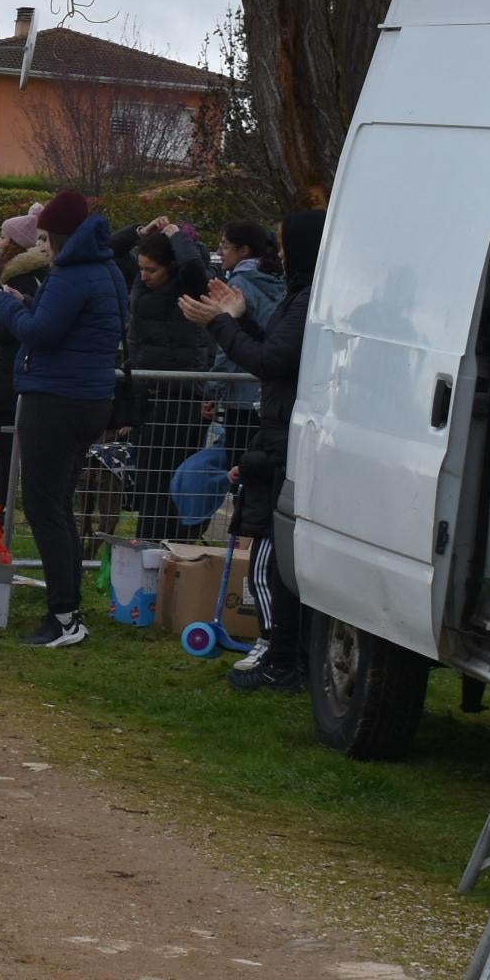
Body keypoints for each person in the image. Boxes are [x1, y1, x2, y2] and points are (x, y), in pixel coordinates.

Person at [186, 209, 323, 692]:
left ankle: (281, 656)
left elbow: (270, 361)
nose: (279, 255)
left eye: (285, 246)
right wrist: (240, 318)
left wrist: (220, 326)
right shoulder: (300, 295)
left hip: (286, 442)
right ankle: (286, 655)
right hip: (278, 436)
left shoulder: (309, 300)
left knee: (268, 561)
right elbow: (276, 352)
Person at [0, 190, 125, 648]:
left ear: (65, 237)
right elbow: (70, 327)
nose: (42, 247)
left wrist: (7, 304)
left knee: (43, 506)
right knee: (59, 506)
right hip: (88, 397)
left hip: (56, 399)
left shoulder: (72, 274)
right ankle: (69, 609)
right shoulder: (104, 269)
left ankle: (64, 617)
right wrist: (28, 305)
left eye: (47, 238)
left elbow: (41, 333)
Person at [120, 225, 218, 535]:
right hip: (146, 392)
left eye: (153, 270)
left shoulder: (185, 287)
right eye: (142, 269)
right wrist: (140, 231)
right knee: (148, 480)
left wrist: (178, 235)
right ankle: (148, 545)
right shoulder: (142, 282)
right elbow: (111, 249)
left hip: (177, 395)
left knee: (169, 480)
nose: (145, 275)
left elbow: (194, 268)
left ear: (171, 266)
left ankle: (164, 545)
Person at [0, 210, 48, 513]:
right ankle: (2, 500)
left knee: (9, 445)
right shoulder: (16, 275)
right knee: (4, 442)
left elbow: (21, 328)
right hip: (5, 372)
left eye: (5, 236)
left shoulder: (23, 279)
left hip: (12, 372)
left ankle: (5, 504)